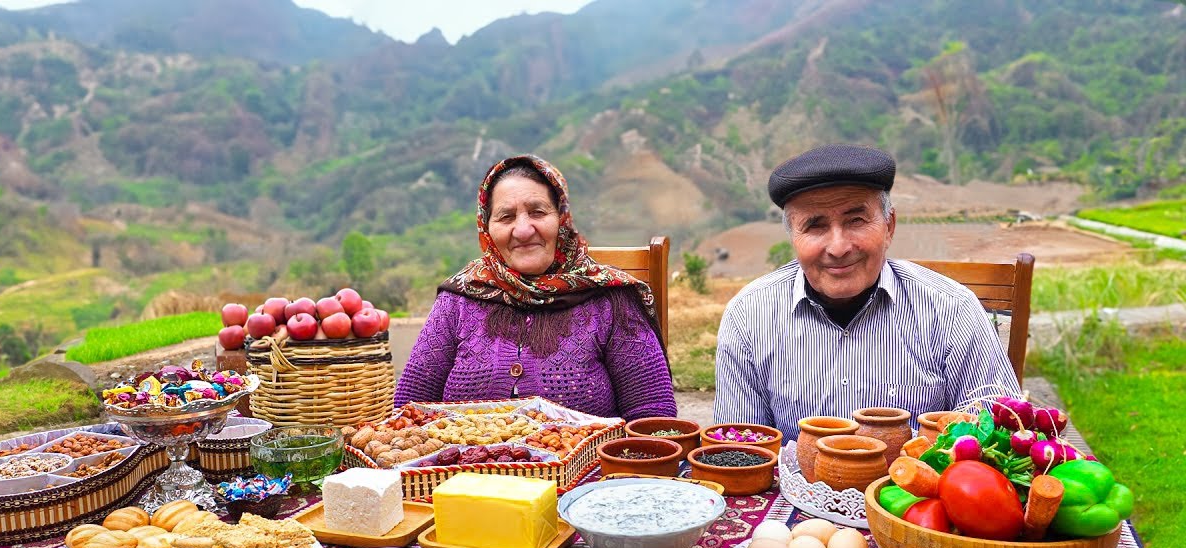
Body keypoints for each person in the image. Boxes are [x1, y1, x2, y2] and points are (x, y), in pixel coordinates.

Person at [714, 144, 1020, 440]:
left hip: (916, 489)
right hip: (794, 492)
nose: (838, 247)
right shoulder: (749, 316)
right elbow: (741, 448)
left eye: (856, 220)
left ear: (889, 226)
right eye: (814, 226)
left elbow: (998, 431)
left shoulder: (952, 309)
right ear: (793, 237)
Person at [395, 154, 676, 420]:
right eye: (506, 217)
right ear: (487, 228)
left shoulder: (612, 300)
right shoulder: (458, 299)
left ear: (562, 219)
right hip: (461, 470)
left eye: (537, 212)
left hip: (586, 471)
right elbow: (408, 409)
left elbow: (653, 416)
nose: (523, 230)